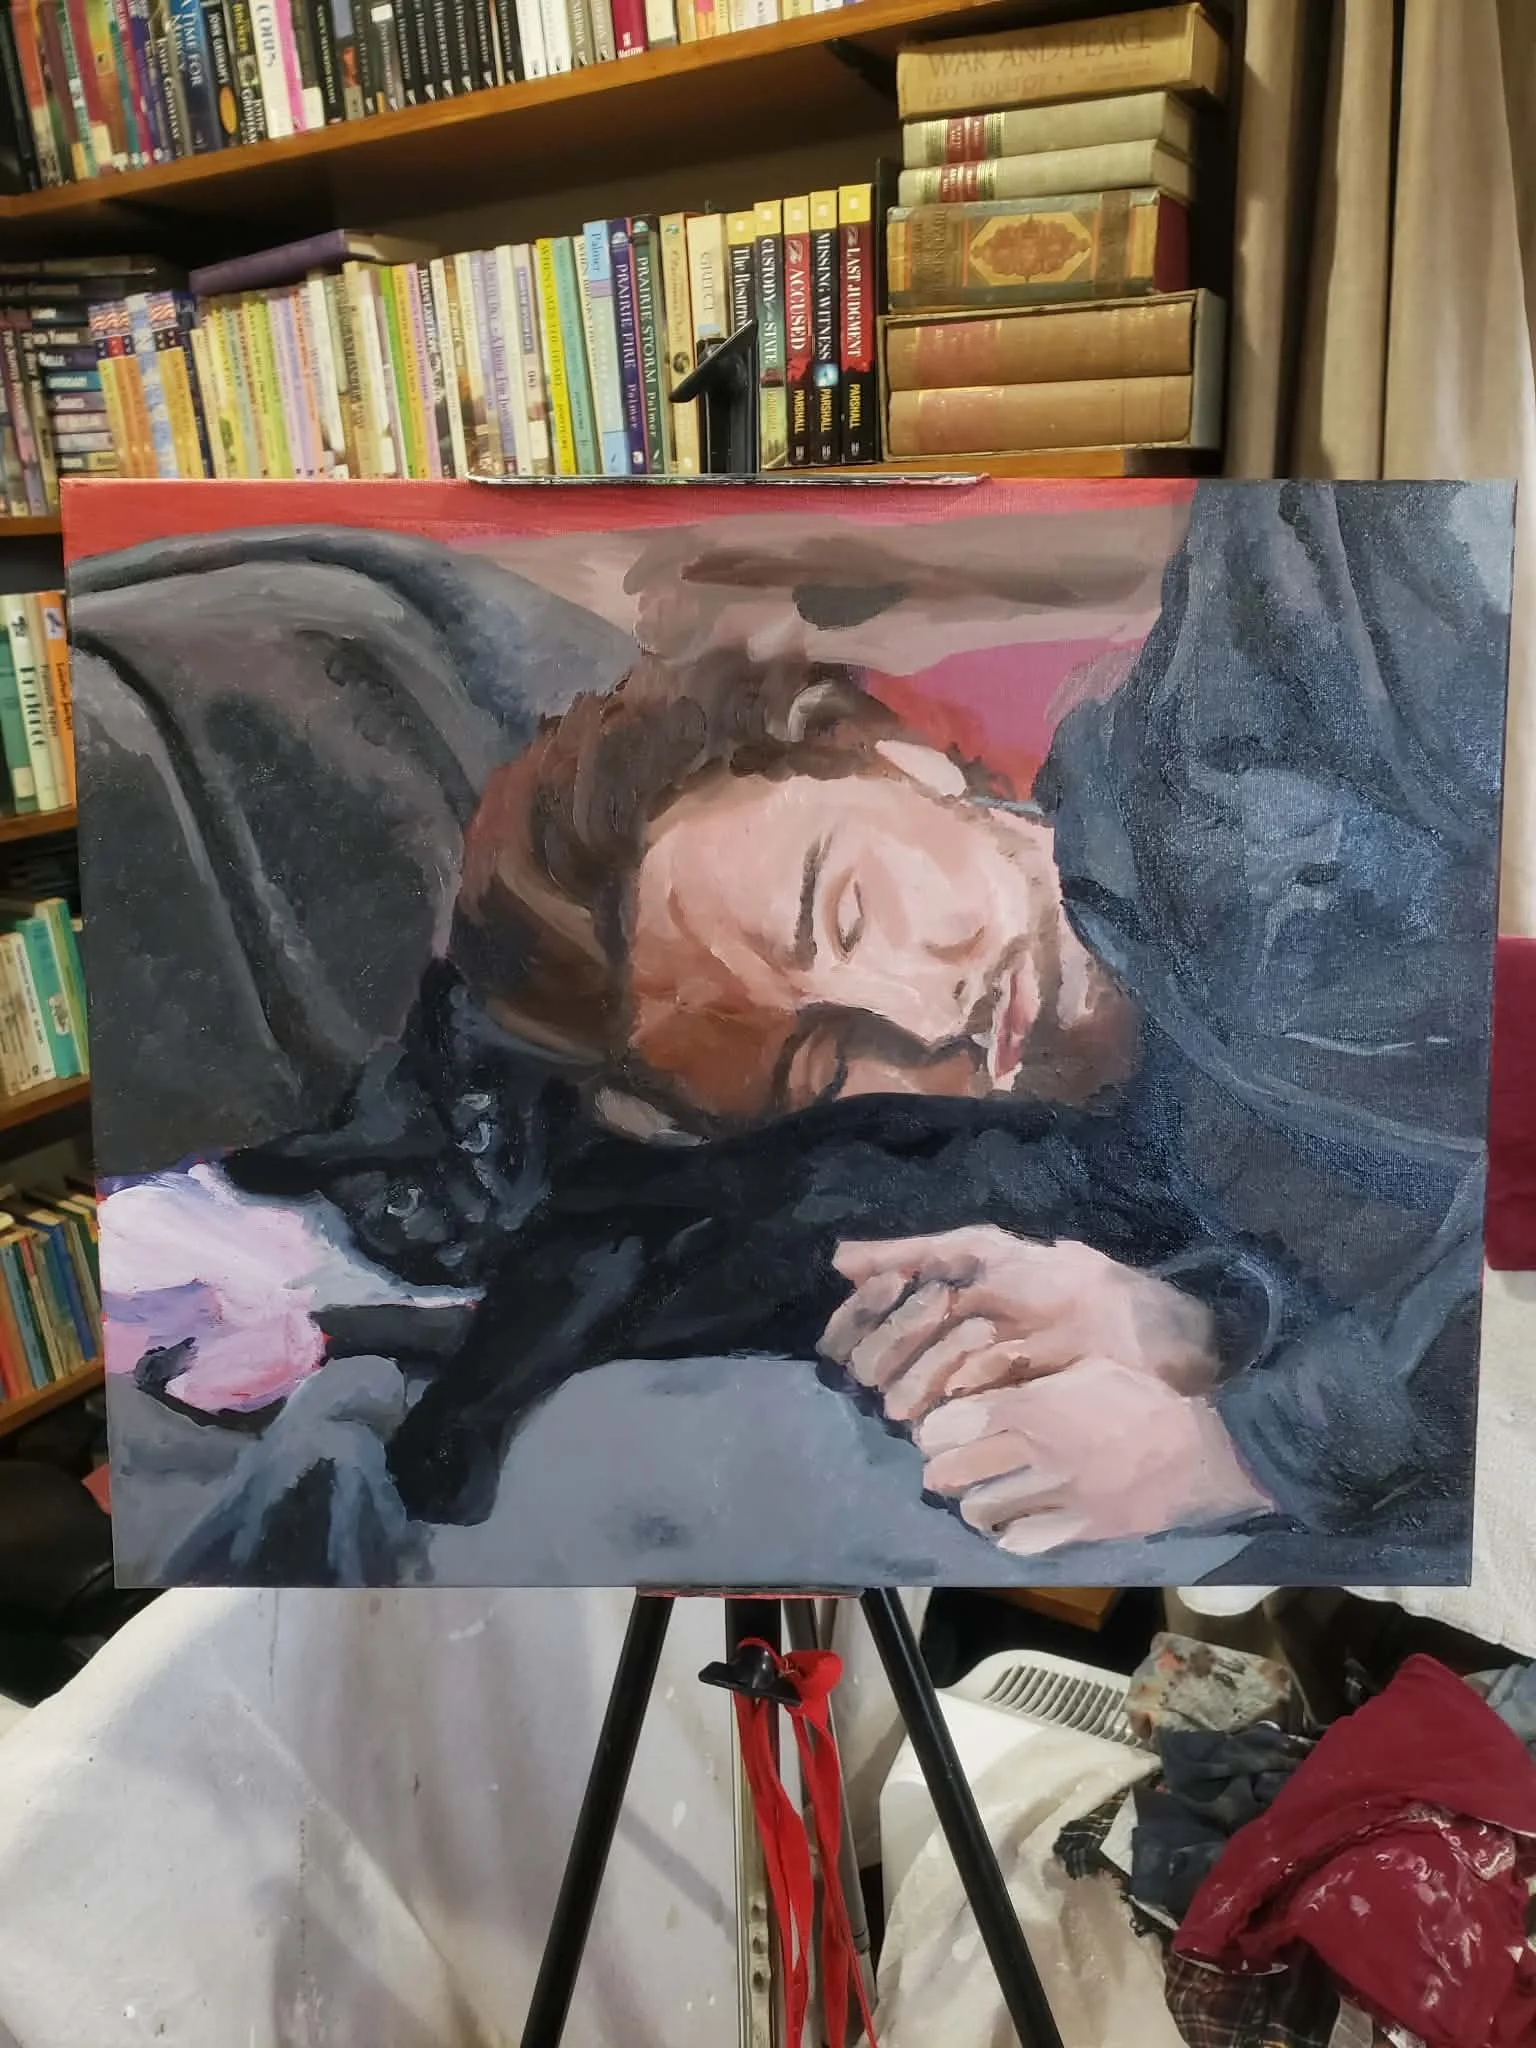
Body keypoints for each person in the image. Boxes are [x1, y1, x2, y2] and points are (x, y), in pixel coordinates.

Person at [366, 480, 1506, 1576]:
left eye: (846, 908)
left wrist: (1245, 1450)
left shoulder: (1296, 630)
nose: (920, 1016)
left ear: (896, 756)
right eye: (827, 1061)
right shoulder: (1122, 1164)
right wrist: (1198, 1328)